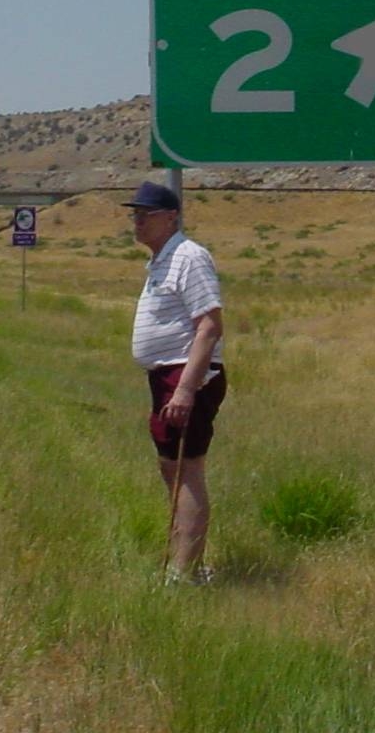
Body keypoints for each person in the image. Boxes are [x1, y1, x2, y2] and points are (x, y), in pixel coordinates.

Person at [123, 180, 225, 584]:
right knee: (172, 469)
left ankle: (183, 574)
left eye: (145, 214)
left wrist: (185, 387)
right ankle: (187, 561)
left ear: (171, 217)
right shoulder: (162, 260)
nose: (137, 221)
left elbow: (210, 326)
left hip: (186, 377)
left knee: (187, 469)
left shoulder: (189, 257)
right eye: (135, 214)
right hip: (166, 376)